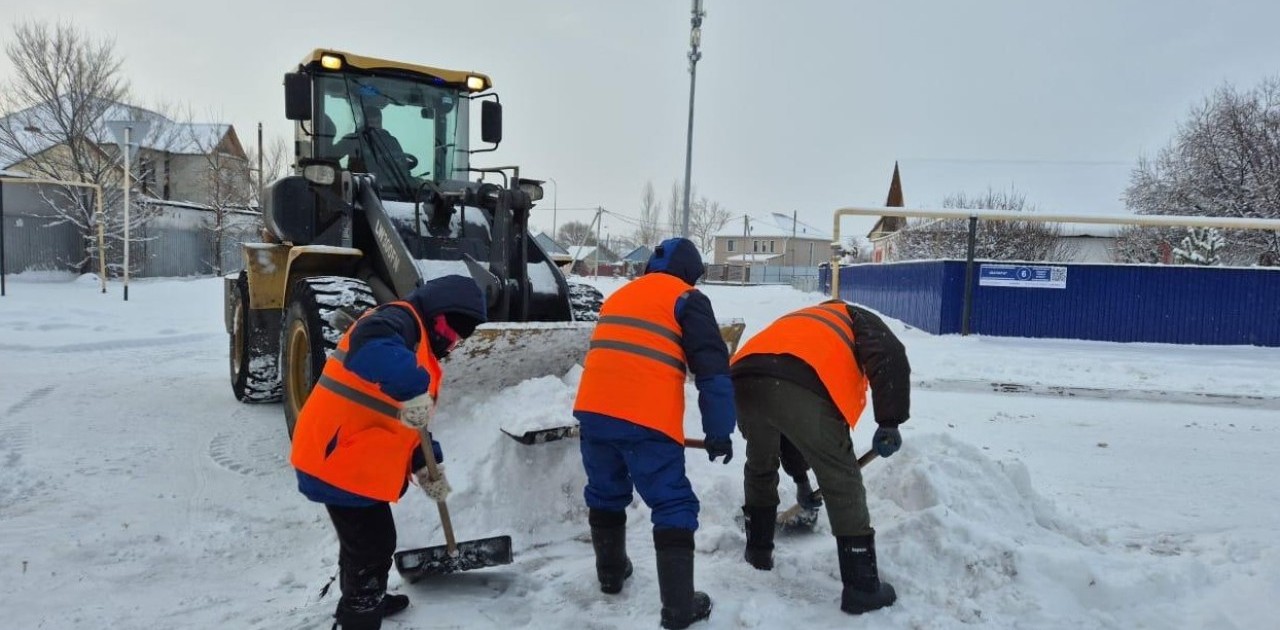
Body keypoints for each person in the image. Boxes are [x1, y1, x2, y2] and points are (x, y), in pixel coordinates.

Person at [289, 275, 487, 630]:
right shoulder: (398, 319)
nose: (454, 343)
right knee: (372, 547)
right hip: (338, 458)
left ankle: (366, 598)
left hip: (354, 458)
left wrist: (426, 464)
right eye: (455, 333)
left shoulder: (418, 339)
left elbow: (407, 421)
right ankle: (359, 616)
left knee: (362, 544)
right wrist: (414, 387)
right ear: (440, 316)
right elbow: (371, 348)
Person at [572, 237, 736, 630]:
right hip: (645, 419)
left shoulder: (620, 296)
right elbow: (712, 372)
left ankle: (611, 574)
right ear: (690, 274)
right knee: (672, 503)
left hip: (593, 410)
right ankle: (679, 609)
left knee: (605, 490)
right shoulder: (686, 299)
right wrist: (719, 431)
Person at [731, 299, 910, 615]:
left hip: (743, 378)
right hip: (801, 379)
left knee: (760, 464)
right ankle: (861, 587)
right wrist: (889, 422)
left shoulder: (803, 320)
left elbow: (788, 428)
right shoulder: (857, 317)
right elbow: (890, 356)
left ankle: (757, 553)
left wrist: (801, 480)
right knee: (841, 478)